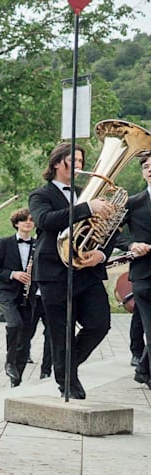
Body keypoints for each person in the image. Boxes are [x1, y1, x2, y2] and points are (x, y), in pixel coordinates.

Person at [28, 142, 147, 399]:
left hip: (87, 270)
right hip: (53, 272)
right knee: (62, 330)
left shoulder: (88, 193)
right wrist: (86, 208)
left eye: (82, 161)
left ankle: (66, 368)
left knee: (99, 323)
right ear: (57, 163)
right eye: (74, 161)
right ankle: (68, 380)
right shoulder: (41, 195)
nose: (80, 166)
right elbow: (45, 221)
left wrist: (102, 254)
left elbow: (111, 229)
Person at [0, 207, 42, 387]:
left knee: (25, 339)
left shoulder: (38, 244)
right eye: (24, 219)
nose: (28, 222)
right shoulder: (4, 243)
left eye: (31, 220)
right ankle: (9, 362)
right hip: (8, 294)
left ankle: (16, 378)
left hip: (29, 296)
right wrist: (13, 274)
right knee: (15, 324)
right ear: (16, 223)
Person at [122, 153, 151, 387]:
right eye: (146, 167)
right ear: (142, 173)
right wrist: (131, 245)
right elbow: (112, 232)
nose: (150, 169)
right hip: (144, 274)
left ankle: (143, 369)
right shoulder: (133, 202)